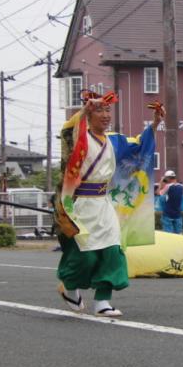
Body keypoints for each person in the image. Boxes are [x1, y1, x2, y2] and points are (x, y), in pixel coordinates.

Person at [55, 92, 161, 317]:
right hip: (78, 204)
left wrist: (155, 123)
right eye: (99, 111)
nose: (105, 116)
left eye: (108, 110)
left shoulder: (115, 140)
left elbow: (139, 145)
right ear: (89, 115)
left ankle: (103, 300)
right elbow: (67, 131)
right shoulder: (79, 137)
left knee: (113, 250)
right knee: (85, 255)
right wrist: (84, 110)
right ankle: (69, 288)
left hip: (103, 204)